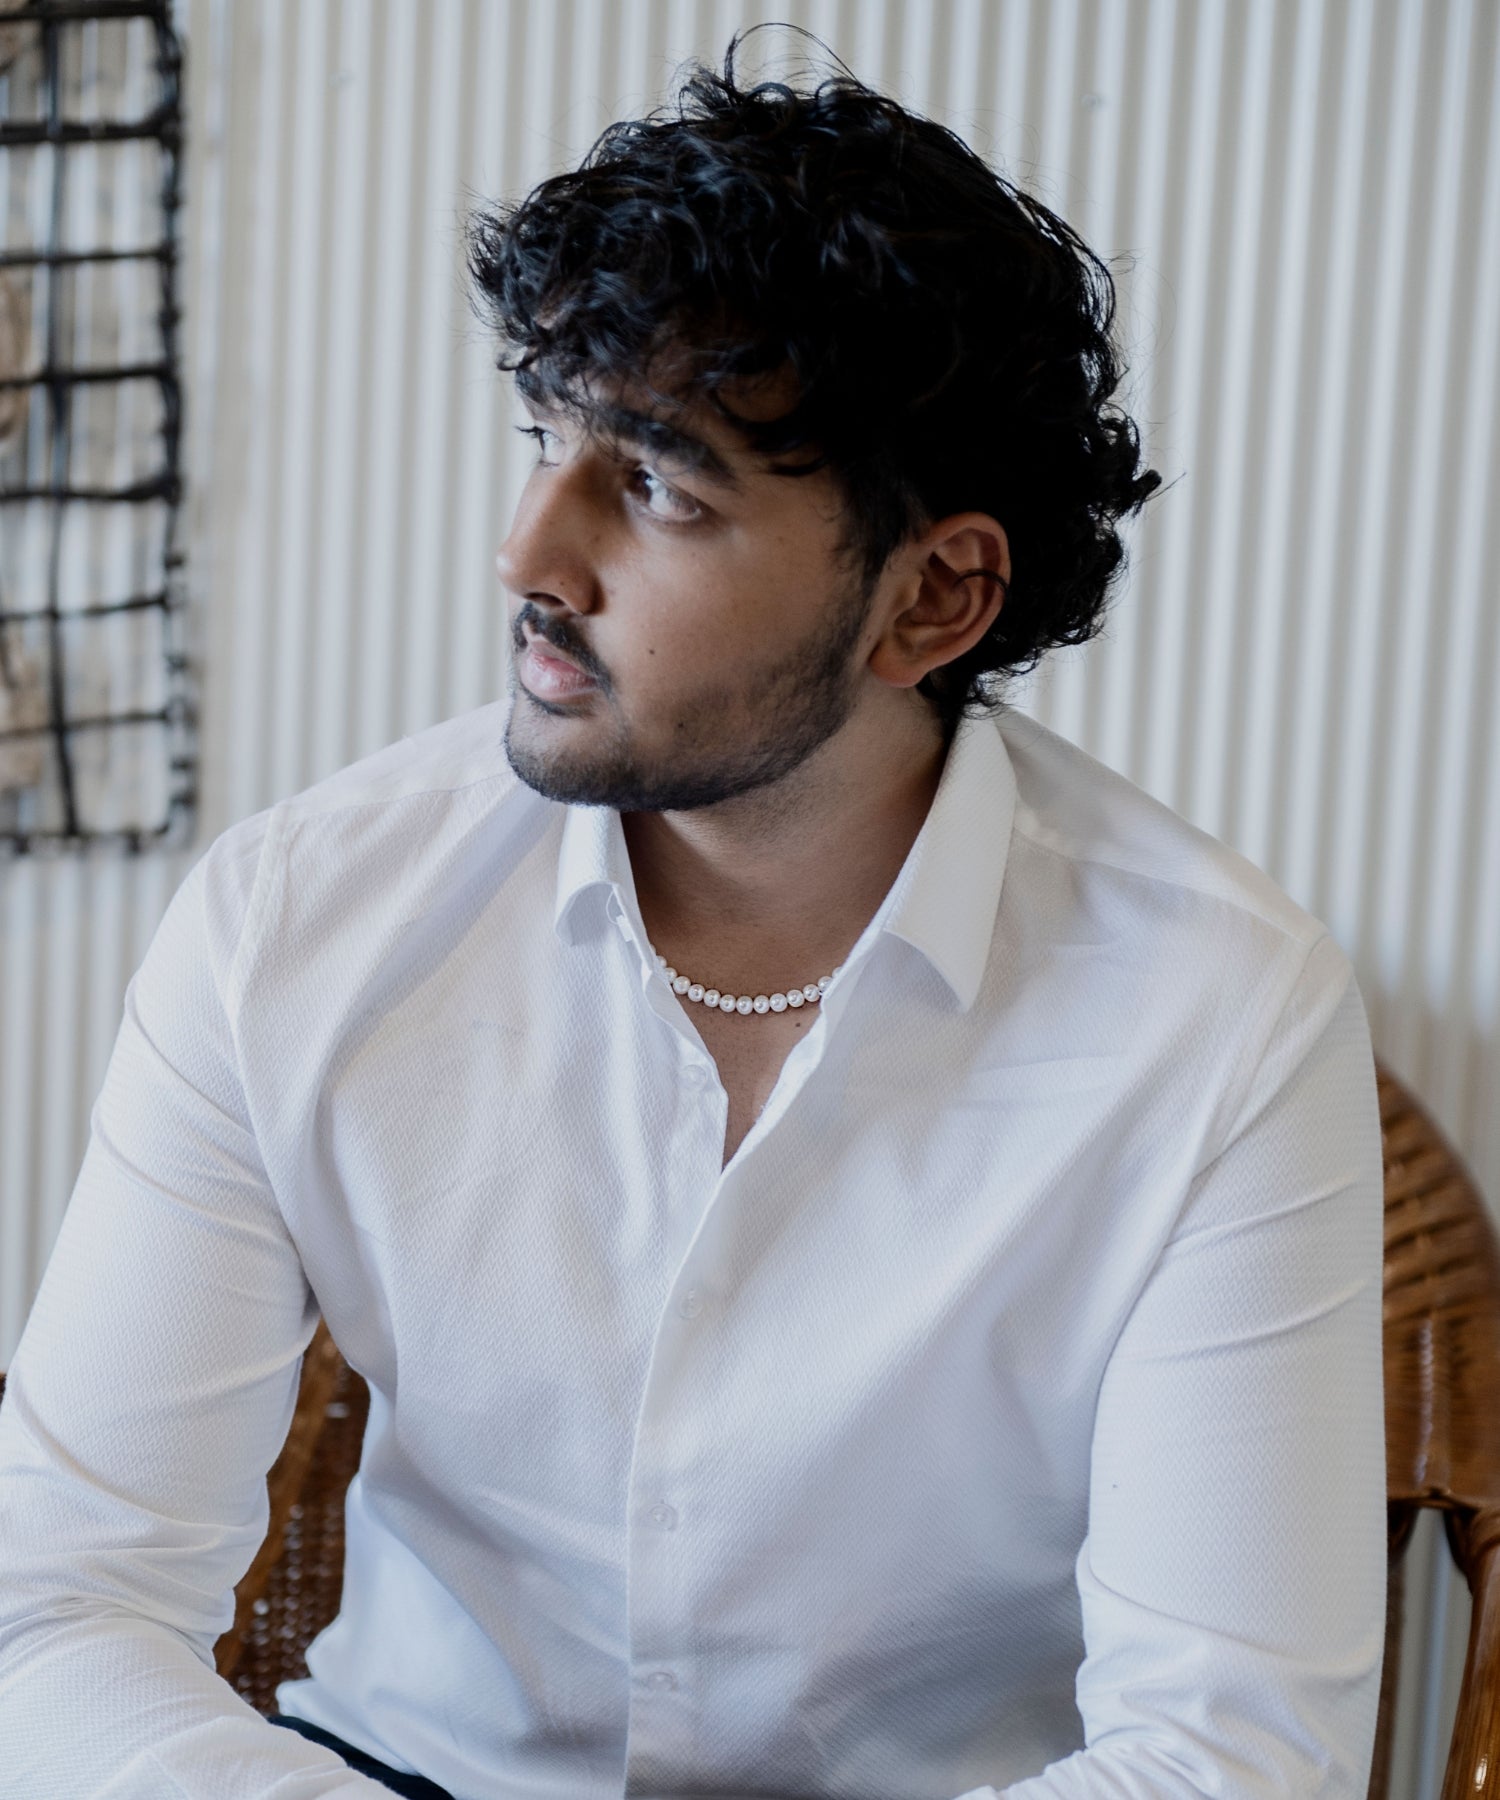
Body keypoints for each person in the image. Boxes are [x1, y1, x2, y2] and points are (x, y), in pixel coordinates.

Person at [0, 30, 1387, 1800]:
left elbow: (1231, 1758)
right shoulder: (295, 923)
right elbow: (56, 1607)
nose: (529, 553)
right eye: (546, 437)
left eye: (654, 484)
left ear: (934, 597)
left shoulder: (1221, 1015)